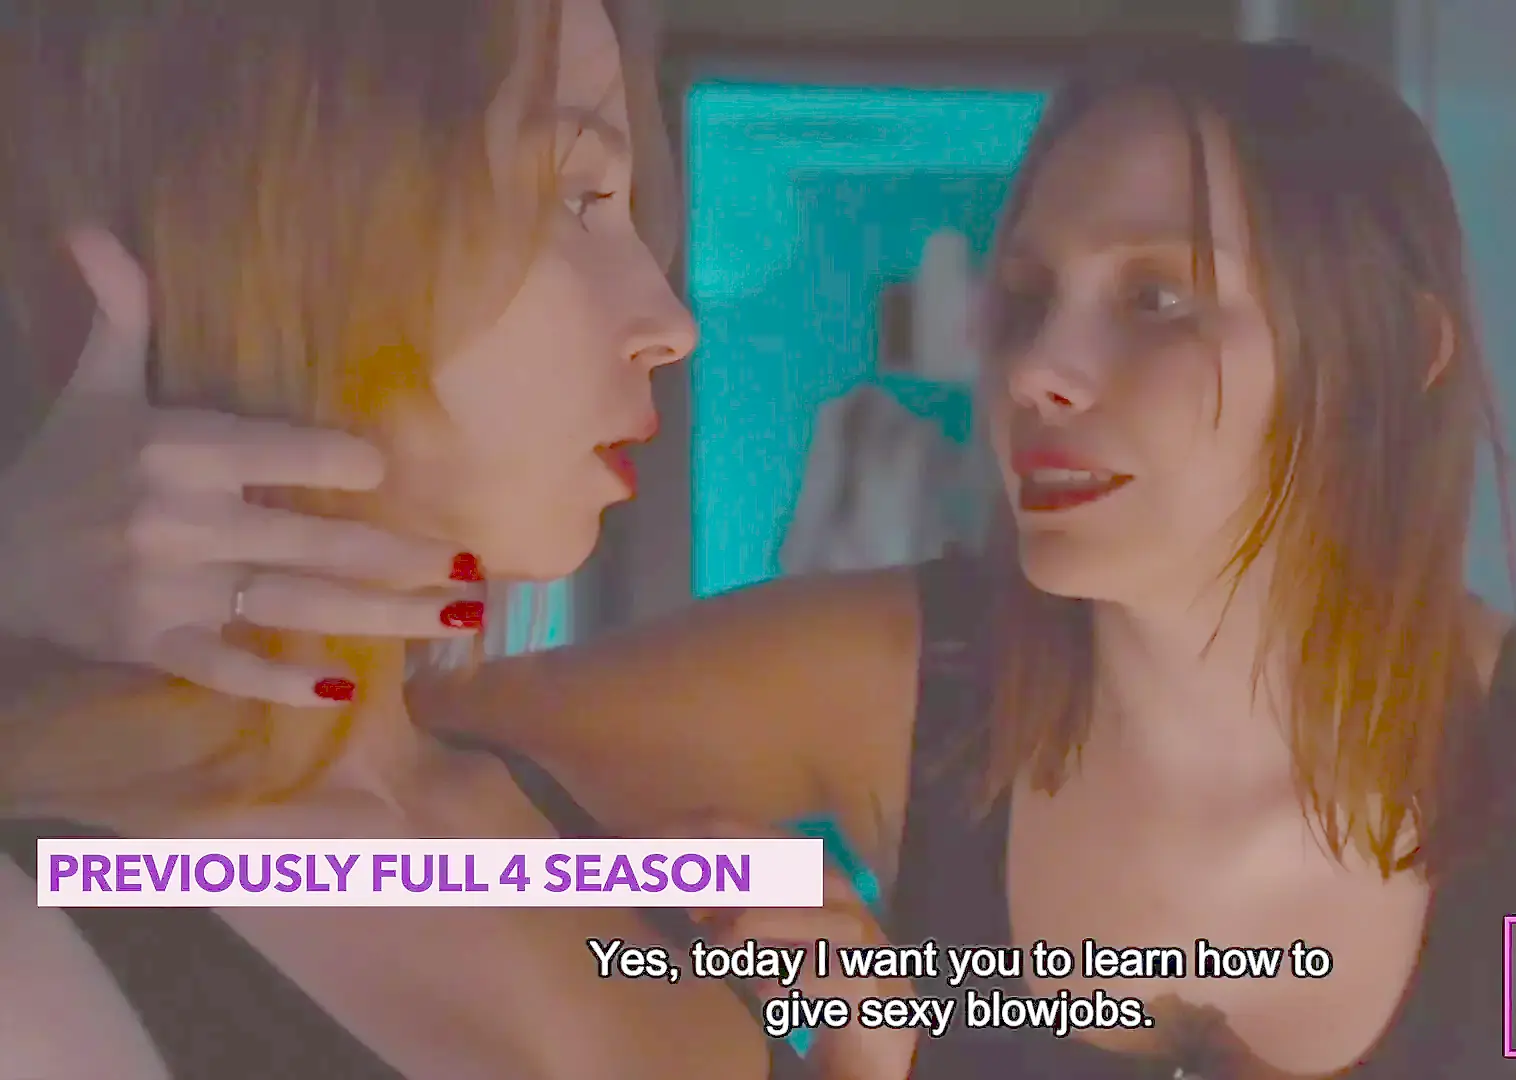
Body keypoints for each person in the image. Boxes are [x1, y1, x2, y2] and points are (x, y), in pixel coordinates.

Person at [0, 38, 1516, 1080]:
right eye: (1023, 296)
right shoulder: (891, 680)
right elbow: (354, 767)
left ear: (1399, 358)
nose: (1038, 371)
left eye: (1160, 298)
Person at [0, 3, 908, 1079]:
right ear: (283, 232)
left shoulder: (586, 835)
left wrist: (863, 1060)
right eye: (574, 196)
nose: (673, 324)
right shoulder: (38, 943)